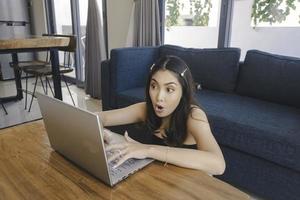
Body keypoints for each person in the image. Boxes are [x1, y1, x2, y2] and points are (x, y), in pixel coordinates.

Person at [98, 55, 225, 175]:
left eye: (169, 89)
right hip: (157, 178)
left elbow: (219, 165)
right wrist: (99, 132)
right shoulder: (146, 109)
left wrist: (147, 150)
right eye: (154, 86)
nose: (159, 97)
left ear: (183, 91)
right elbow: (101, 118)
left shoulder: (194, 116)